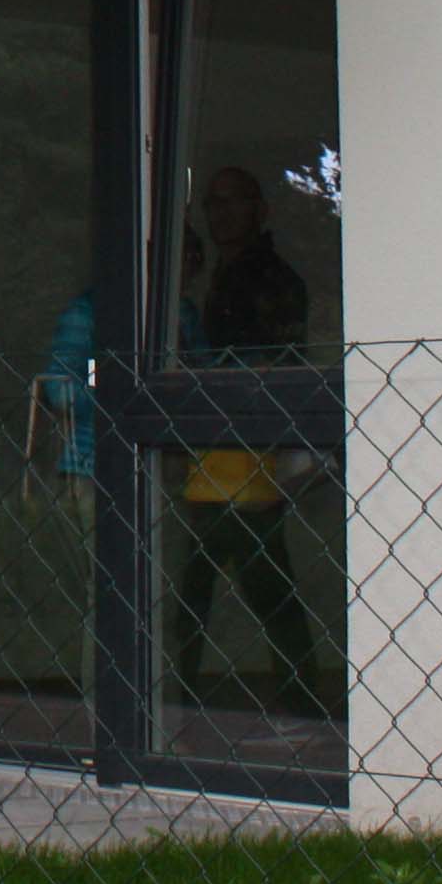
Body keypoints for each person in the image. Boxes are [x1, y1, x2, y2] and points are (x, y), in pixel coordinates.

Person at [171, 166, 325, 719]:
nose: (222, 213)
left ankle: (295, 701)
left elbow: (275, 364)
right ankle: (178, 700)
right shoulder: (220, 281)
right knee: (225, 589)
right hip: (215, 457)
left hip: (249, 456)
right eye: (213, 203)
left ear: (260, 209)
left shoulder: (267, 280)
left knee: (247, 588)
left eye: (233, 201)